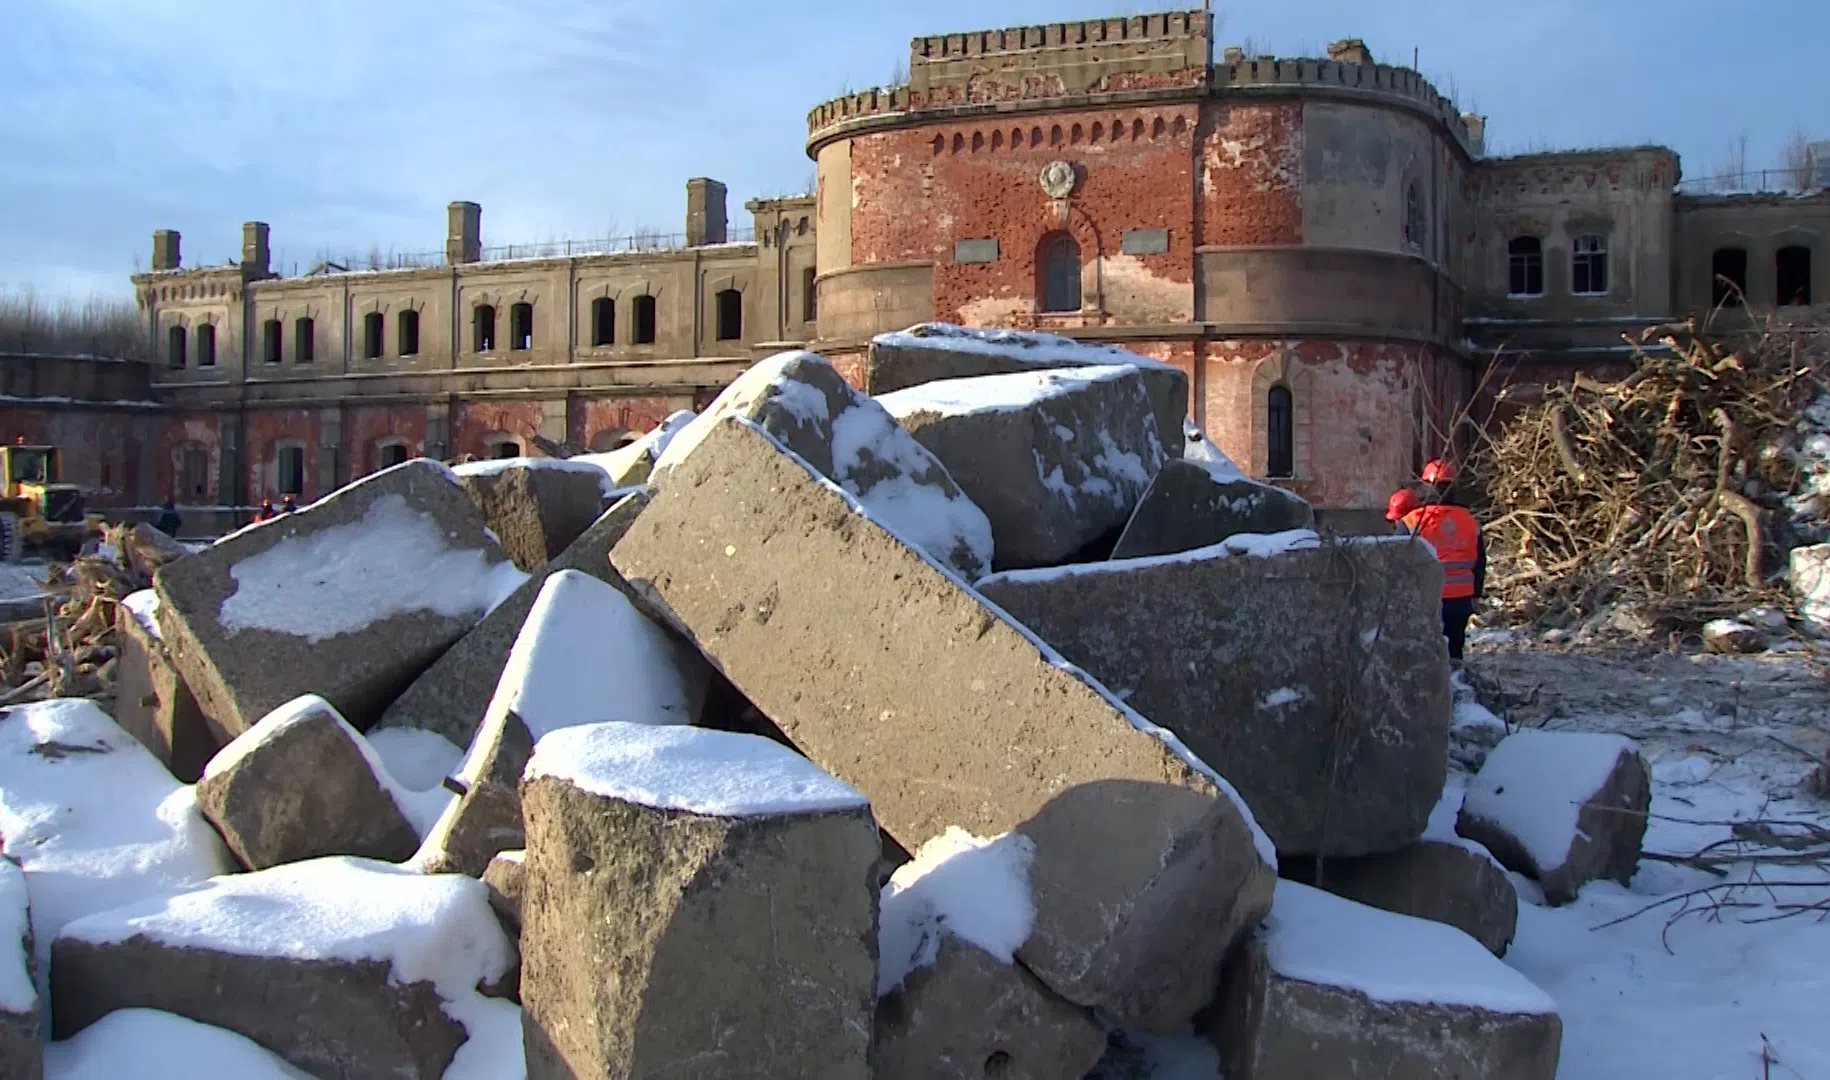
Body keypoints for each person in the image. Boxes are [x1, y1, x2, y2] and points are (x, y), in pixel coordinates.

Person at [1398, 459, 1485, 666]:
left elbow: (1396, 562)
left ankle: (1432, 694)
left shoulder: (1412, 521)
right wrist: (1476, 595)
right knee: (1455, 651)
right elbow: (1480, 561)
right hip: (1461, 600)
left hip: (1426, 598)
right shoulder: (1470, 521)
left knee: (1426, 654)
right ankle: (1458, 691)